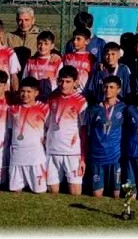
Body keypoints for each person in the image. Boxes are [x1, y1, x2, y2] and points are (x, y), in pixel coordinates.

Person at [46, 66, 90, 196]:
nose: (63, 85)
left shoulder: (81, 101)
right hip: (52, 151)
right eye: (61, 81)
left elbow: (84, 132)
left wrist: (83, 158)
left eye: (68, 82)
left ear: (76, 82)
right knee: (52, 191)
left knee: (75, 193)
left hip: (72, 152)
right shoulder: (52, 97)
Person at [86, 75, 127, 198]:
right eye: (105, 87)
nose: (108, 90)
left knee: (116, 194)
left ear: (118, 90)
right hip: (97, 156)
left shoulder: (124, 108)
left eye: (111, 87)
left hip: (115, 157)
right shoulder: (94, 109)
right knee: (97, 195)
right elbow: (88, 132)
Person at [8, 77, 50, 193]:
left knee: (39, 191)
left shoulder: (44, 108)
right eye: (22, 91)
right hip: (17, 155)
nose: (25, 94)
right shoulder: (13, 109)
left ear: (36, 93)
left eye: (29, 92)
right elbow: (10, 129)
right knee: (15, 190)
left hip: (36, 156)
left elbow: (49, 128)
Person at [22, 30, 63, 101]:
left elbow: (60, 81)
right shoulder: (30, 61)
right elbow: (24, 79)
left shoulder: (57, 61)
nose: (42, 46)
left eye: (46, 44)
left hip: (50, 97)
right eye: (40, 43)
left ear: (52, 46)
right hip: (33, 98)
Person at [62, 27, 96, 95]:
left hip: (84, 94)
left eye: (78, 39)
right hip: (68, 93)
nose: (75, 41)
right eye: (74, 39)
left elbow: (93, 77)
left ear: (87, 41)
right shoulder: (66, 57)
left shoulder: (91, 58)